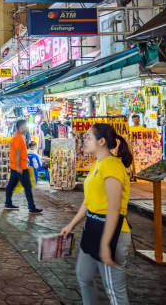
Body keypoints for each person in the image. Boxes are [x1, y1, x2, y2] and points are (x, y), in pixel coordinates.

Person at [60, 123, 133, 305]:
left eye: (88, 137)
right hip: (93, 228)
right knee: (83, 276)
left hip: (111, 232)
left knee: (114, 291)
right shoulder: (97, 164)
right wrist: (72, 225)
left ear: (101, 142)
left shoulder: (112, 166)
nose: (84, 141)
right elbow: (89, 201)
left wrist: (106, 244)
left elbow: (113, 209)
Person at [5, 120, 43, 213]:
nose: (27, 128)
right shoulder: (18, 138)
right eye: (26, 126)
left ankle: (8, 203)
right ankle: (31, 207)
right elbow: (17, 153)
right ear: (21, 127)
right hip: (20, 167)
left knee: (11, 186)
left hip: (15, 166)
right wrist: (19, 167)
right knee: (27, 187)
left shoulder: (17, 137)